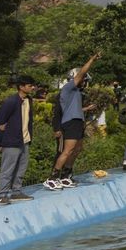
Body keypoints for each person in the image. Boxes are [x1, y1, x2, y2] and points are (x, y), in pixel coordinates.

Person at [44, 52, 100, 191]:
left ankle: (66, 175)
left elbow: (73, 108)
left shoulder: (77, 93)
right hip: (70, 123)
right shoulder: (69, 87)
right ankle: (52, 178)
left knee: (77, 149)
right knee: (67, 151)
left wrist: (86, 109)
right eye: (84, 80)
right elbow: (81, 73)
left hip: (77, 121)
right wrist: (92, 59)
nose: (85, 82)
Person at [0, 76, 37, 205]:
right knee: (8, 169)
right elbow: (0, 122)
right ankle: (3, 195)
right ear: (21, 87)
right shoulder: (11, 101)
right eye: (30, 85)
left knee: (21, 168)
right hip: (12, 140)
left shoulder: (28, 100)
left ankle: (16, 192)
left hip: (24, 140)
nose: (32, 87)